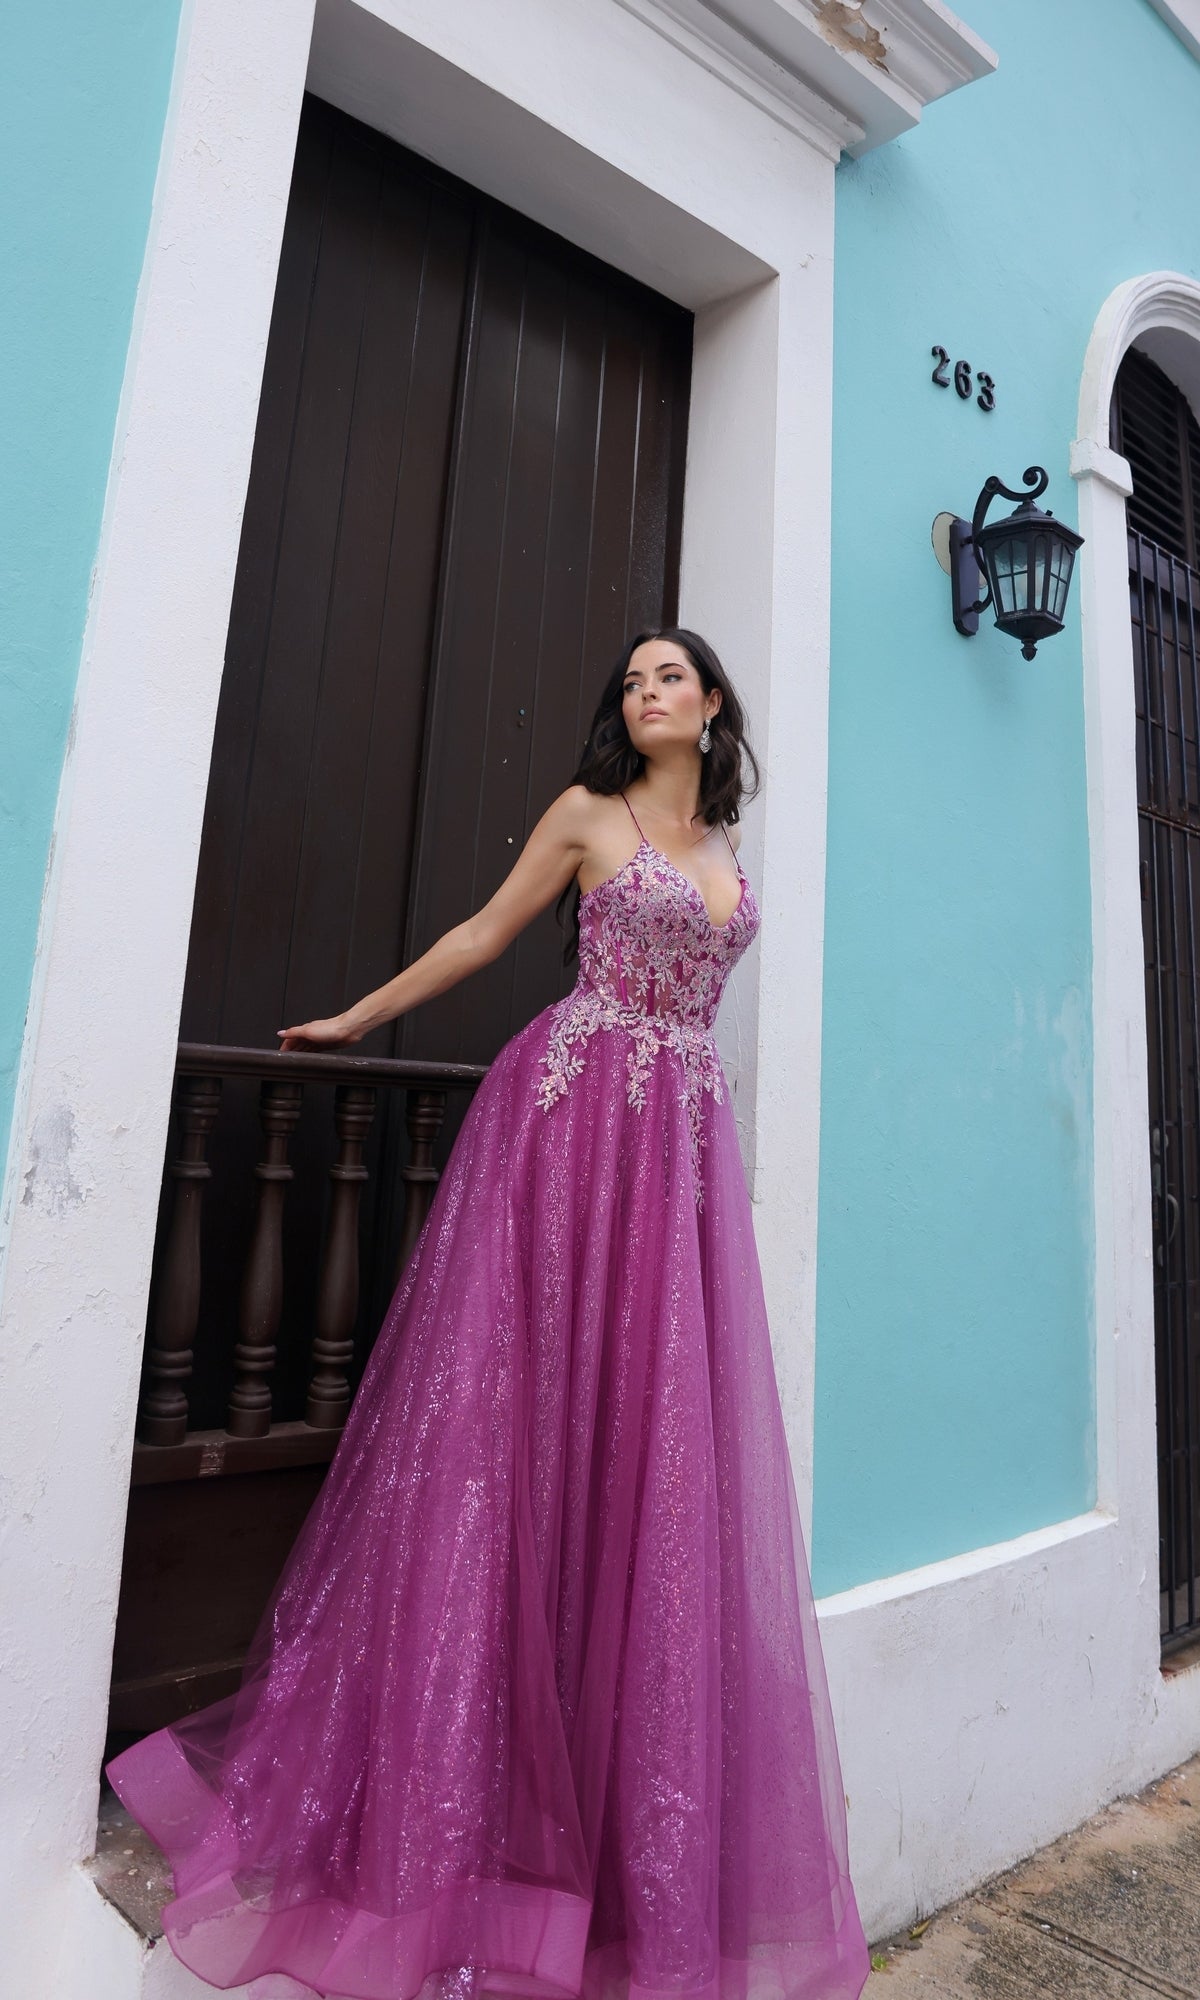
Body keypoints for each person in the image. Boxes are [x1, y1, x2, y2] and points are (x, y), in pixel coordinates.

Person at [106, 628, 870, 2000]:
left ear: (714, 707)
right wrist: (360, 1015)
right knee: (509, 1438)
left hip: (680, 1151)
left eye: (669, 676)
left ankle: (614, 1868)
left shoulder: (730, 845)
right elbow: (485, 930)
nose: (646, 692)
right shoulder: (588, 815)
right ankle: (442, 1835)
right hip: (573, 1130)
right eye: (631, 678)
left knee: (653, 1458)